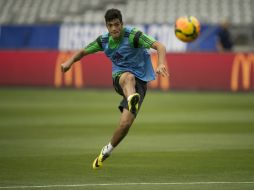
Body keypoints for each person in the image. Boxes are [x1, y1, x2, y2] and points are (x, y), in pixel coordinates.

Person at [61, 8, 169, 169]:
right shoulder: (103, 41)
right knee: (129, 77)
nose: (114, 28)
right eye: (110, 25)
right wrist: (69, 62)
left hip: (140, 84)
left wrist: (160, 63)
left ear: (122, 24)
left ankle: (107, 150)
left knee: (125, 124)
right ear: (106, 26)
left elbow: (159, 46)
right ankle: (131, 98)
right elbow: (83, 51)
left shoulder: (133, 35)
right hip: (120, 78)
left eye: (117, 24)